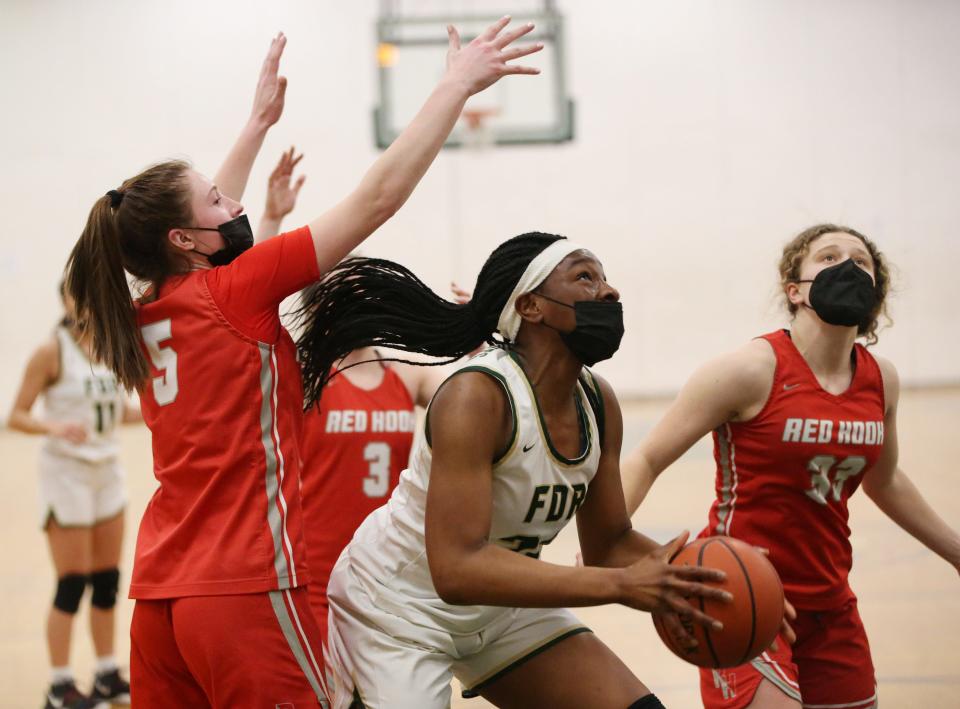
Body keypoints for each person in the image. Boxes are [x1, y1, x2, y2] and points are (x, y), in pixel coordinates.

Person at [62, 21, 542, 708]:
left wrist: (257, 125)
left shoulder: (142, 314)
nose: (238, 207)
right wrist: (454, 86)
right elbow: (376, 200)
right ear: (185, 238)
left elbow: (194, 231)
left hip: (161, 598)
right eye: (220, 202)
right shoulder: (235, 290)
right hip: (242, 591)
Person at [292, 232, 732, 709]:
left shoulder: (598, 401)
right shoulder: (476, 396)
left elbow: (609, 543)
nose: (609, 292)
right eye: (586, 277)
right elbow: (457, 569)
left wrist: (711, 582)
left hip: (500, 606)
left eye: (606, 279)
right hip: (397, 611)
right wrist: (622, 586)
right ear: (530, 306)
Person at [620, 224, 960, 709]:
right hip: (744, 595)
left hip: (832, 602)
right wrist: (602, 541)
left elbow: (885, 480)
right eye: (828, 256)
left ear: (876, 292)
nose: (847, 266)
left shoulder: (881, 379)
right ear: (794, 289)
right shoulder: (750, 369)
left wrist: (955, 550)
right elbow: (647, 458)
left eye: (861, 260)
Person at [253, 146, 459, 640]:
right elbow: (251, 303)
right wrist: (270, 218)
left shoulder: (405, 374)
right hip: (312, 572)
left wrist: (491, 330)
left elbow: (471, 388)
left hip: (385, 568)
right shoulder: (298, 374)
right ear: (327, 307)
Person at [8, 282, 140, 709]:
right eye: (78, 293)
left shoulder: (109, 346)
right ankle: (59, 685)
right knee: (72, 583)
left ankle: (105, 673)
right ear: (65, 300)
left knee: (107, 581)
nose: (86, 300)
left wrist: (171, 412)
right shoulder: (52, 351)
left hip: (107, 473)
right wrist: (53, 427)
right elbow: (16, 415)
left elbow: (119, 411)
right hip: (67, 475)